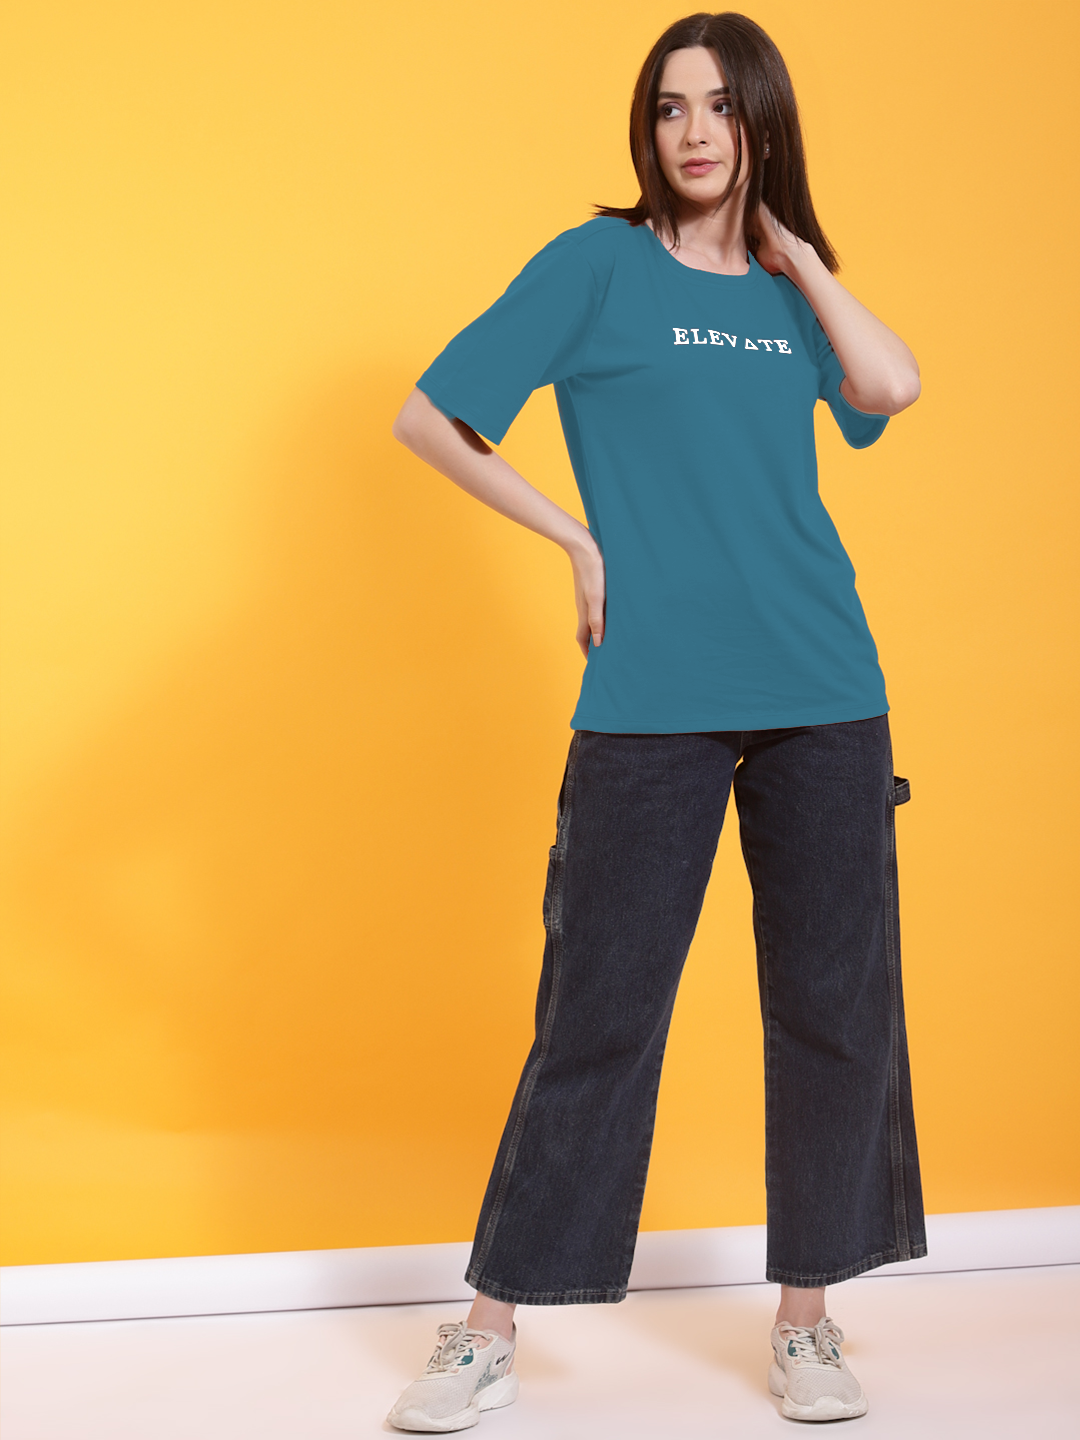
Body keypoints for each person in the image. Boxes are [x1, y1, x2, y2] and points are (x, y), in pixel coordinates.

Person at [387, 10, 925, 1429]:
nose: (694, 131)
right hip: (651, 699)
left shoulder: (792, 294)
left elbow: (890, 387)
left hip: (824, 688)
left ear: (764, 124)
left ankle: (807, 1320)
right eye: (672, 106)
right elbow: (431, 417)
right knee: (599, 1011)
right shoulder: (597, 265)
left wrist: (799, 254)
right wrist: (574, 537)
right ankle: (487, 1329)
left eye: (723, 107)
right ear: (648, 126)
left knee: (834, 1013)